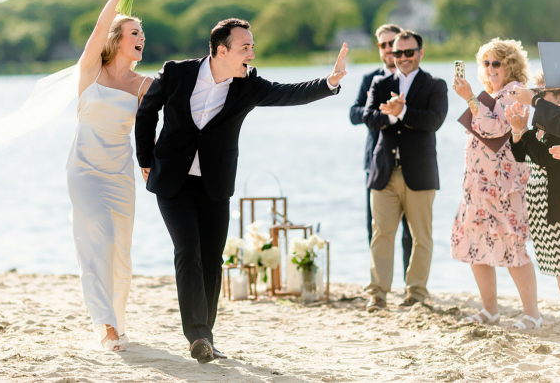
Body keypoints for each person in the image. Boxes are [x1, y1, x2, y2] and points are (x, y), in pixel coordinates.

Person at [135, 18, 347, 363]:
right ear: (222, 50)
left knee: (211, 258)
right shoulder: (176, 73)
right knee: (187, 251)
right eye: (245, 47)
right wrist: (145, 158)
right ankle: (197, 335)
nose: (252, 52)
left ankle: (205, 336)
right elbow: (146, 113)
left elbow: (288, 93)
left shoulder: (249, 84)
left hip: (215, 184)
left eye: (252, 46)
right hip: (173, 180)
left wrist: (329, 83)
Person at [66, 0, 152, 352]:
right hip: (84, 171)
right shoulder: (90, 71)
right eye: (135, 32)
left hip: (120, 175)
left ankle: (116, 318)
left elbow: (168, 121)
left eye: (143, 36)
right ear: (118, 39)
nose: (141, 39)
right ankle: (105, 327)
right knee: (96, 239)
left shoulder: (144, 85)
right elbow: (102, 24)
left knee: (121, 252)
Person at [451, 38, 541, 330]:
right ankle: (490, 310)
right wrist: (475, 99)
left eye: (496, 63)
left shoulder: (515, 91)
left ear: (510, 65)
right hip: (478, 184)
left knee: (513, 245)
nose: (489, 68)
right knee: (477, 244)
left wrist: (470, 99)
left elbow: (496, 129)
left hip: (503, 185)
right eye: (486, 63)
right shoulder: (492, 93)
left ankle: (532, 314)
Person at [362, 30, 448, 312]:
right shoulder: (379, 82)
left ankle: (416, 293)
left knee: (422, 237)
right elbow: (368, 117)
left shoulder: (435, 84)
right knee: (381, 235)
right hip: (384, 172)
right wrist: (389, 114)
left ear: (420, 53)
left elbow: (434, 121)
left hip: (419, 174)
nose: (402, 58)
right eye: (397, 53)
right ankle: (378, 294)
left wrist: (402, 112)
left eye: (408, 52)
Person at [512, 65, 560, 362]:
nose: (543, 97)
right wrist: (519, 131)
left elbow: (546, 159)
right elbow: (521, 156)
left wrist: (526, 127)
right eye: (540, 92)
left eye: (546, 93)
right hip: (541, 204)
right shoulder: (546, 122)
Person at [350, 24, 412, 279]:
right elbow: (355, 114)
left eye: (391, 44)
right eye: (382, 45)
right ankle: (378, 283)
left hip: (411, 161)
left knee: (412, 231)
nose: (387, 50)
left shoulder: (415, 78)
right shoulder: (370, 79)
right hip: (376, 162)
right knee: (375, 229)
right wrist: (381, 114)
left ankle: (412, 285)